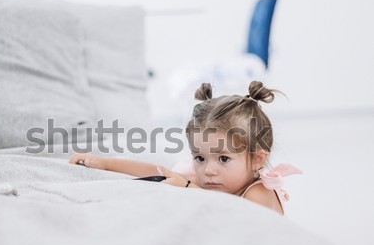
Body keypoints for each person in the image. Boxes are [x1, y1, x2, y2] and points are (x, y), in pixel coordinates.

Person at [69, 81, 301, 215]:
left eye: (223, 159)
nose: (208, 170)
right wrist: (106, 163)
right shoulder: (212, 177)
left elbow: (236, 218)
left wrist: (189, 187)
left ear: (258, 159)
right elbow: (157, 170)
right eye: (199, 157)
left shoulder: (258, 193)